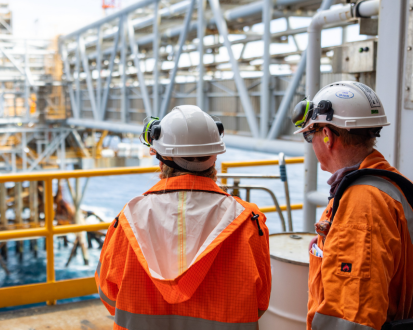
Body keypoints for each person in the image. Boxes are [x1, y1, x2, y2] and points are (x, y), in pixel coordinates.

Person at [95, 105, 272, 329]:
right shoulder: (249, 221)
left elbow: (108, 294)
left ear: (161, 158)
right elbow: (260, 302)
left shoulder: (129, 219)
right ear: (214, 157)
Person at [291, 81, 413, 330]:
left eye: (309, 135)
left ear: (327, 135)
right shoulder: (388, 183)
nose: (311, 143)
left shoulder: (362, 204)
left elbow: (351, 316)